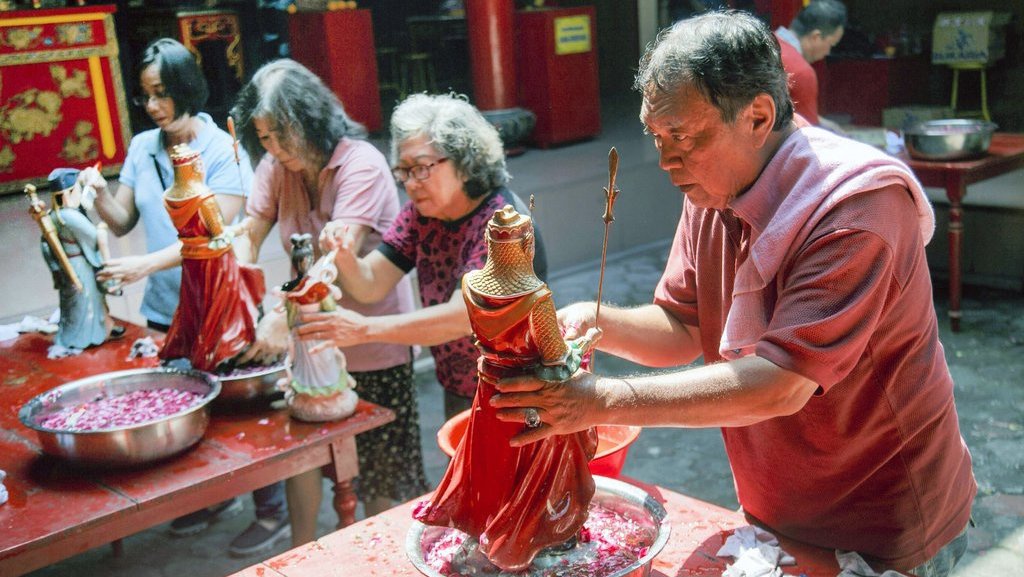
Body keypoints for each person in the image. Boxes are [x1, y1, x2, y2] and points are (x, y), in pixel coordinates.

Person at [490, 11, 976, 577]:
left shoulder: (854, 208)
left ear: (758, 117)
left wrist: (600, 401)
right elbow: (683, 327)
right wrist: (588, 319)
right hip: (777, 505)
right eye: (656, 137)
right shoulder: (712, 189)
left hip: (883, 522)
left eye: (681, 137)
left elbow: (781, 384)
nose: (665, 160)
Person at [74, 38, 286, 558]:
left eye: (162, 93)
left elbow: (217, 236)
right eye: (145, 95)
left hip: (220, 303)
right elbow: (121, 219)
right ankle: (213, 496)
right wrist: (97, 191)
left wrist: (144, 264)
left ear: (187, 88)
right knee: (186, 408)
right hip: (165, 309)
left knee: (240, 409)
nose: (153, 106)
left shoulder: (222, 149)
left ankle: (272, 510)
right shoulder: (143, 148)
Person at [228, 59, 427, 535]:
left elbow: (336, 258)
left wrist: (280, 317)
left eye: (281, 134)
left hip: (373, 343)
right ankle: (301, 549)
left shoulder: (361, 164)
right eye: (264, 138)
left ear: (310, 120)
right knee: (303, 457)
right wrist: (238, 283)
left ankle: (382, 555)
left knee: (380, 474)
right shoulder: (276, 167)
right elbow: (249, 232)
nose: (273, 148)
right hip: (312, 344)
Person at [297, 92, 548, 424]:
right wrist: (344, 256)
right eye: (404, 171)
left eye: (421, 168)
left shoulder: (505, 224)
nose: (411, 184)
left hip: (518, 391)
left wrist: (363, 329)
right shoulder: (421, 216)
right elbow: (370, 285)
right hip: (460, 386)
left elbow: (464, 318)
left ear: (464, 160)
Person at [412, 205, 597, 571]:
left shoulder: (470, 284)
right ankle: (534, 540)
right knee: (541, 471)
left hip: (490, 393)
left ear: (490, 244)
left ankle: (488, 532)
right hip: (531, 400)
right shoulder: (536, 297)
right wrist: (583, 343)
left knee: (491, 467)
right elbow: (557, 360)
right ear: (526, 245)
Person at [28, 168, 119, 355]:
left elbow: (45, 246)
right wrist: (102, 231)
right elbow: (93, 237)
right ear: (68, 193)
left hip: (67, 266)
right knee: (86, 301)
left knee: (73, 303)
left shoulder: (52, 216)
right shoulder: (70, 217)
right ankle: (86, 336)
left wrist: (55, 267)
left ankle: (102, 327)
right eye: (78, 189)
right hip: (80, 265)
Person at [774, 0, 846, 133]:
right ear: (816, 37)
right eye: (831, 44)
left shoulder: (762, 43)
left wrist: (824, 123)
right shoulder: (802, 72)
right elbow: (810, 135)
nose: (828, 52)